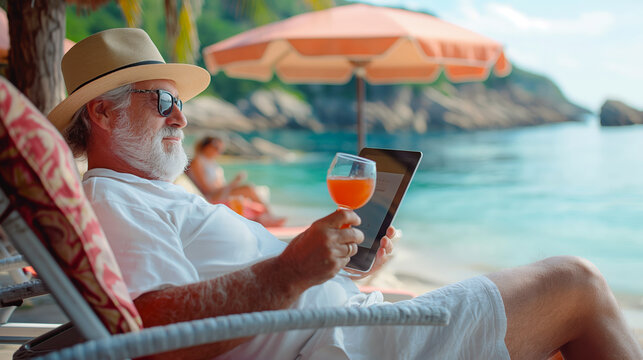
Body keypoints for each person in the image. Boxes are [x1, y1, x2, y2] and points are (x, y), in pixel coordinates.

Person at [50, 28, 642, 360]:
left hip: (348, 326)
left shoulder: (148, 196)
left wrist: (341, 271)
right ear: (102, 112)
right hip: (348, 346)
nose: (180, 116)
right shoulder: (116, 201)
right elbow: (153, 335)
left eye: (180, 100)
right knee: (576, 282)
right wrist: (290, 270)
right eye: (162, 100)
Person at [187, 135, 286, 227]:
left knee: (252, 192)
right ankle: (269, 216)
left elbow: (219, 185)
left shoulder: (211, 163)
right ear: (205, 146)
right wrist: (233, 183)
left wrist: (232, 184)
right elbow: (208, 189)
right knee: (248, 189)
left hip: (218, 192)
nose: (218, 151)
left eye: (220, 149)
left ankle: (265, 218)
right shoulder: (197, 162)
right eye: (215, 147)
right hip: (211, 196)